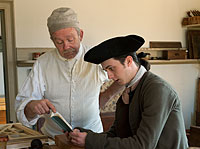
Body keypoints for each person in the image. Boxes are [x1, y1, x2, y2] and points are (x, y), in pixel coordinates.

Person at [66, 34, 188, 149]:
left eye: (111, 68)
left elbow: (142, 147)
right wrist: (85, 135)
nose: (109, 76)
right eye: (106, 70)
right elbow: (117, 135)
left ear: (129, 61)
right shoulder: (128, 92)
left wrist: (90, 141)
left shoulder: (157, 89)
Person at [15, 7, 123, 139]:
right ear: (52, 41)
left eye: (70, 40)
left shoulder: (96, 57)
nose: (66, 47)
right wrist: (31, 106)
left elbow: (124, 76)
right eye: (59, 42)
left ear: (80, 35)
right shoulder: (43, 63)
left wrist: (106, 96)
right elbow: (23, 108)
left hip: (91, 138)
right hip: (54, 139)